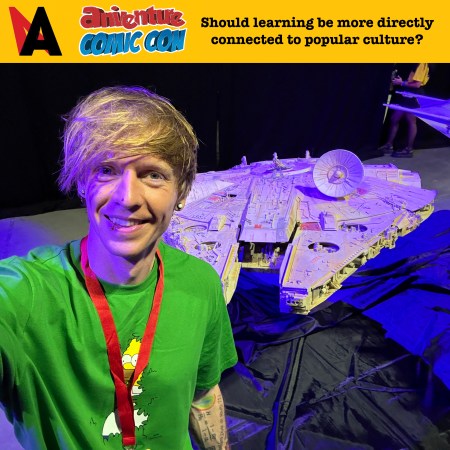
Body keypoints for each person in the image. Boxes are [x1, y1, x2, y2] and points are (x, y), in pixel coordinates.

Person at [0, 86, 238, 449]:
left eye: (153, 174)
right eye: (106, 170)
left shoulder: (200, 282)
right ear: (82, 182)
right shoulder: (24, 295)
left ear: (182, 192)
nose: (127, 198)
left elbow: (203, 394)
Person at [378, 63, 430, 158]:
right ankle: (389, 145)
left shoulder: (421, 63)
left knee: (411, 121)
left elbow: (417, 84)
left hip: (413, 95)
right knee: (394, 119)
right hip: (405, 93)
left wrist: (401, 83)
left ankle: (409, 149)